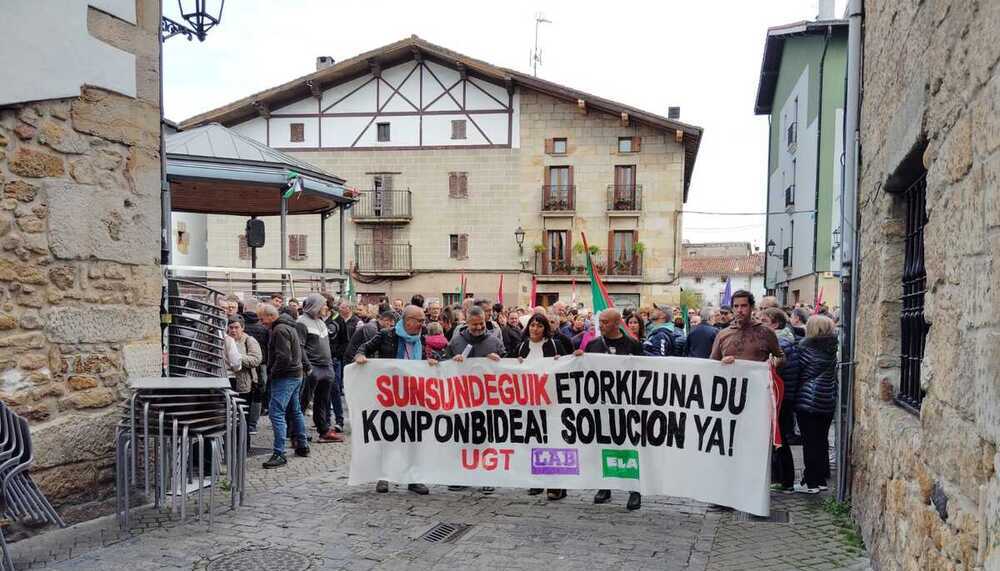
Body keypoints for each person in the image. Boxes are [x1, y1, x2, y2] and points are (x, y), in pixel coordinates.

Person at [355, 305, 433, 495]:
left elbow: (430, 357)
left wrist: (432, 360)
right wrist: (360, 355)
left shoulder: (421, 338)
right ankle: (384, 477)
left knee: (414, 438)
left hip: (414, 395)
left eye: (423, 321)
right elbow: (364, 347)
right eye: (419, 321)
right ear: (407, 321)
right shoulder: (386, 335)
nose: (423, 324)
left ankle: (414, 479)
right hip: (390, 395)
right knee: (389, 435)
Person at [576, 309, 644, 511]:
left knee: (629, 446)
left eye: (606, 322)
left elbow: (643, 373)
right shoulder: (593, 345)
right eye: (600, 321)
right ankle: (605, 486)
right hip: (602, 406)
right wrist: (579, 358)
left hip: (626, 405)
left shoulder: (633, 345)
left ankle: (634, 490)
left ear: (617, 323)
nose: (601, 325)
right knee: (602, 445)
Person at [515, 313, 566, 501]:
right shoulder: (521, 347)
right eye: (532, 325)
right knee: (534, 441)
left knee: (552, 441)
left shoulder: (555, 345)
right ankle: (536, 480)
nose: (535, 329)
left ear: (546, 328)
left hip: (551, 401)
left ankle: (556, 484)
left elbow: (569, 365)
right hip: (530, 402)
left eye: (539, 326)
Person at [256, 303, 309, 468]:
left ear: (271, 316)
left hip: (286, 376)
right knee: (295, 410)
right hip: (295, 374)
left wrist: (273, 372)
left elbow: (283, 357)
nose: (261, 322)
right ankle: (302, 444)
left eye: (262, 318)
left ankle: (279, 453)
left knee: (276, 413)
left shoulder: (279, 330)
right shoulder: (289, 326)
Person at [794, 315, 838, 494]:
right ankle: (820, 480)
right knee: (821, 441)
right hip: (828, 399)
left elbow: (800, 370)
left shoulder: (805, 346)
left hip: (808, 399)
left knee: (809, 442)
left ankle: (810, 482)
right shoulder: (832, 347)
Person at [761, 308, 801, 492]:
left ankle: (784, 480)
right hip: (784, 396)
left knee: (781, 438)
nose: (761, 324)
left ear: (775, 324)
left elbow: (775, 369)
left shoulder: (780, 343)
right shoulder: (783, 340)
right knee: (780, 437)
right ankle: (782, 479)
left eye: (764, 321)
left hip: (782, 397)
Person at [297, 294, 344, 444]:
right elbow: (300, 347)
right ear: (316, 306)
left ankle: (323, 431)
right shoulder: (301, 323)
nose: (326, 308)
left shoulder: (321, 322)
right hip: (313, 367)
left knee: (323, 401)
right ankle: (296, 433)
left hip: (326, 367)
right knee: (303, 401)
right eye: (323, 305)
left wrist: (329, 364)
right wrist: (308, 367)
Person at [710, 291, 784, 367]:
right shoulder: (722, 334)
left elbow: (781, 357)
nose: (739, 310)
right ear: (732, 309)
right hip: (730, 377)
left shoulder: (766, 332)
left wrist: (774, 362)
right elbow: (712, 363)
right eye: (736, 306)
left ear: (751, 307)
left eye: (744, 306)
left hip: (757, 377)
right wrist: (721, 363)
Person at [225, 316, 262, 433]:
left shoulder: (249, 340)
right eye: (231, 327)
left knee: (242, 416)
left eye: (236, 327)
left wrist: (237, 357)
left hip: (244, 383)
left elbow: (256, 359)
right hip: (227, 381)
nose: (233, 330)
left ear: (243, 328)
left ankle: (244, 445)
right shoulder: (224, 340)